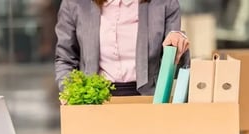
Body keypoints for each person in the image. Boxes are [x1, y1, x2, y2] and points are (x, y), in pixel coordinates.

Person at [55, 0, 190, 96]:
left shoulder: (165, 3)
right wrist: (71, 92)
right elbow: (65, 59)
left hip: (149, 100)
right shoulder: (74, 4)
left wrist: (179, 46)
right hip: (94, 101)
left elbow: (177, 65)